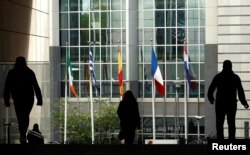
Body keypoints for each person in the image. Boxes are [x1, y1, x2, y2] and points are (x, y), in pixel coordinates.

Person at [4, 56, 43, 144]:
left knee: (20, 116)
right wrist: (39, 99)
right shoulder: (29, 72)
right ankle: (22, 134)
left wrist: (6, 100)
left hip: (18, 98)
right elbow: (36, 87)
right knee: (25, 116)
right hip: (28, 98)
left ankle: (22, 134)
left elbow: (7, 88)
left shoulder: (12, 73)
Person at [207, 60, 249, 140]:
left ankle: (221, 141)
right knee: (231, 124)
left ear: (223, 66)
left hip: (220, 103)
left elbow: (211, 89)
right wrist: (244, 103)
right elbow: (240, 92)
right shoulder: (235, 78)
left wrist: (211, 98)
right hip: (231, 104)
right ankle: (231, 141)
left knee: (219, 124)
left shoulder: (218, 77)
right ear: (231, 67)